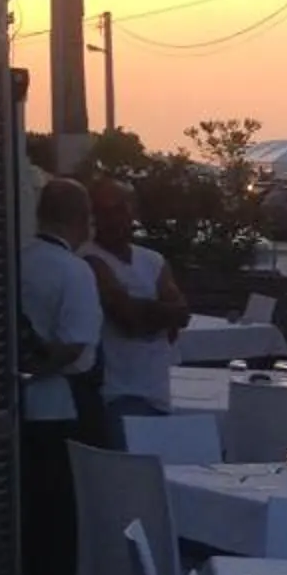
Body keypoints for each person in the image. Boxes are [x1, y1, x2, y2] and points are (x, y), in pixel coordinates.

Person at [18, 175, 104, 575]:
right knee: (66, 518)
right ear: (79, 219)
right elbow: (74, 347)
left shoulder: (19, 261)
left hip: (22, 410)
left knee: (33, 514)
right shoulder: (75, 272)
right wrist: (32, 366)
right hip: (63, 408)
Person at [83, 175, 188, 428]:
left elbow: (182, 315)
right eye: (105, 211)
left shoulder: (153, 260)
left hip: (158, 394)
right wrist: (159, 314)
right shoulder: (88, 259)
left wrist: (144, 312)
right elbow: (129, 319)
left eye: (121, 208)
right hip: (115, 395)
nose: (114, 219)